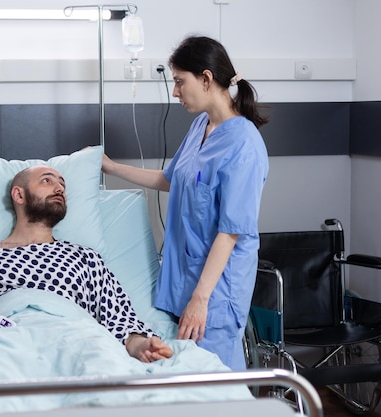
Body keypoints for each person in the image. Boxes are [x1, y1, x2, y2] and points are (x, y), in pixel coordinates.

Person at [101, 35, 269, 370]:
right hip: (184, 282)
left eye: (179, 82)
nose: (175, 92)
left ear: (206, 78)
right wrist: (111, 167)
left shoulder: (244, 145)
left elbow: (230, 231)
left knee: (216, 387)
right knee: (185, 382)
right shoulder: (199, 127)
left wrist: (200, 299)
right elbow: (170, 179)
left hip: (216, 294)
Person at [0, 165, 173, 363]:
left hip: (77, 344)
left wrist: (142, 347)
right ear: (19, 194)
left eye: (62, 184)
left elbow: (119, 319)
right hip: (1, 348)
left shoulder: (84, 258)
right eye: (47, 181)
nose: (59, 188)